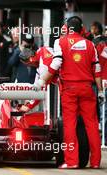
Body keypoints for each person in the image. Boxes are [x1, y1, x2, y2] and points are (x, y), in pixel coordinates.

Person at [35, 16, 103, 169]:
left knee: (70, 126)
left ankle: (72, 162)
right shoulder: (90, 44)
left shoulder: (60, 42)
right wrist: (100, 91)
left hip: (69, 89)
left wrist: (43, 80)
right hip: (87, 88)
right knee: (92, 125)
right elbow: (97, 69)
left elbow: (57, 61)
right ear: (82, 29)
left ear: (67, 28)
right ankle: (95, 162)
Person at [91, 21, 107, 144]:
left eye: (92, 27)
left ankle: (102, 138)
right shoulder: (103, 42)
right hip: (102, 78)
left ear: (96, 29)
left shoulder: (96, 44)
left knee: (100, 108)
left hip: (99, 79)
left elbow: (98, 63)